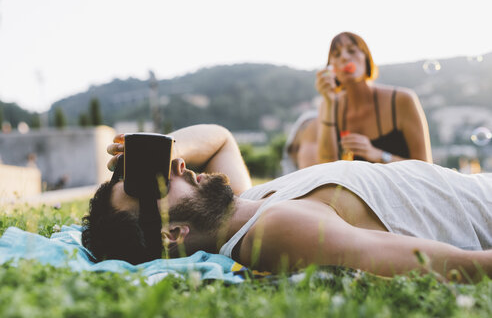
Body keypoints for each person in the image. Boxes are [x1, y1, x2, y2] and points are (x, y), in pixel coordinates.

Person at [82, 124, 492, 282]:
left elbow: (221, 137)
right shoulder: (270, 231)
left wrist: (160, 150)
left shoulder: (246, 202)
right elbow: (438, 262)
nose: (179, 166)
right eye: (157, 184)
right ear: (172, 234)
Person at [313, 31, 433, 164]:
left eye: (352, 51)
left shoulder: (402, 100)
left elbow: (425, 168)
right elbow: (326, 166)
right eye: (336, 55)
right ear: (331, 69)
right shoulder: (328, 105)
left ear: (367, 58)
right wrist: (330, 103)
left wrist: (377, 154)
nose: (344, 57)